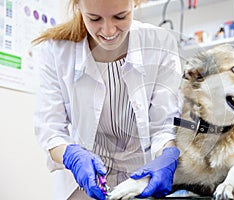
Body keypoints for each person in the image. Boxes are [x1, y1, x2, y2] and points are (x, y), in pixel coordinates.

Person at [33, 0, 182, 199]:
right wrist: (71, 156)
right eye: (94, 18)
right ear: (79, 7)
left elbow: (164, 125)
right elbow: (50, 130)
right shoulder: (56, 50)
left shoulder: (160, 44)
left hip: (140, 182)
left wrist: (166, 156)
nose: (108, 30)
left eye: (120, 16)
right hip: (83, 184)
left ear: (134, 4)